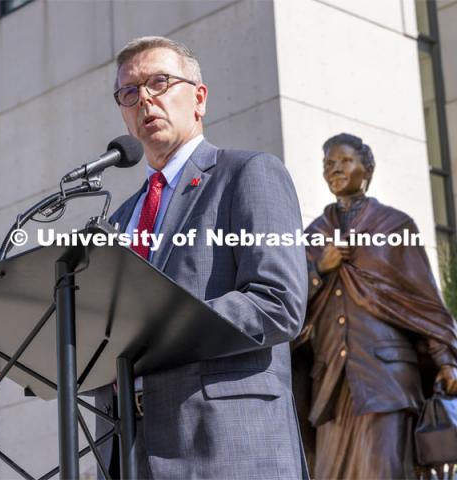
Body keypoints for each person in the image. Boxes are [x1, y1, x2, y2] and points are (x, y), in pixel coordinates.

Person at [94, 36, 308, 479]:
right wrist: (19, 354)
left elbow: (279, 303)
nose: (145, 100)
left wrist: (157, 333)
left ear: (199, 98)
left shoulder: (248, 174)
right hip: (126, 451)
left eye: (159, 81)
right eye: (130, 93)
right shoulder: (116, 221)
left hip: (225, 445)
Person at [293, 132, 457, 479]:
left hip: (386, 379)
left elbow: (424, 302)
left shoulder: (395, 226)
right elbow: (290, 305)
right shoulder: (312, 236)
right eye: (328, 165)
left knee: (383, 470)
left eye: (344, 162)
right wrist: (319, 270)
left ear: (366, 169)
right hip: (331, 386)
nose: (335, 170)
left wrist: (446, 361)